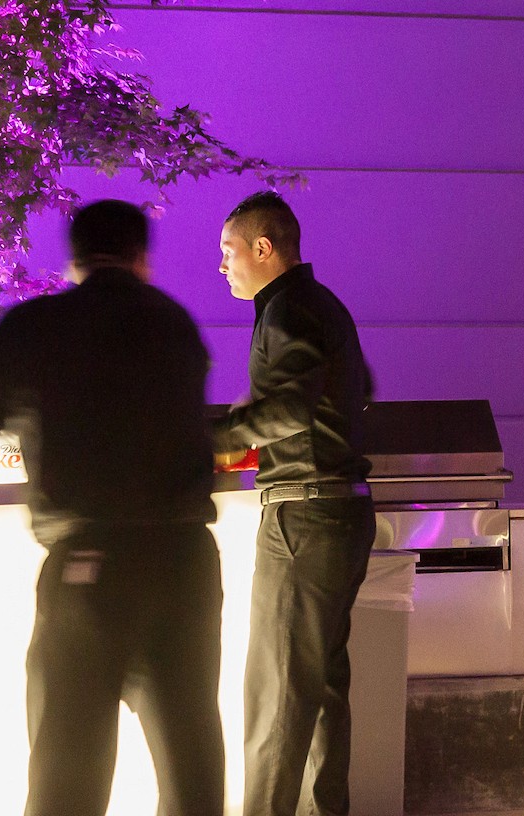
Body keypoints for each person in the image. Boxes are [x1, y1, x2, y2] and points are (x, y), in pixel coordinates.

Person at [0, 199, 222, 816]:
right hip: (186, 562)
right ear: (142, 258)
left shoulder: (44, 324)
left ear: (74, 261)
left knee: (68, 771)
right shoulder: (176, 324)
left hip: (92, 564)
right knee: (191, 762)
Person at [212, 191, 375, 816]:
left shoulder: (286, 311)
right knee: (323, 689)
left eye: (229, 251)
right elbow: (353, 389)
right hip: (342, 511)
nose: (222, 266)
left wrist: (219, 439)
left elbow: (292, 408)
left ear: (263, 247)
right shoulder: (322, 306)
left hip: (304, 516)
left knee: (278, 696)